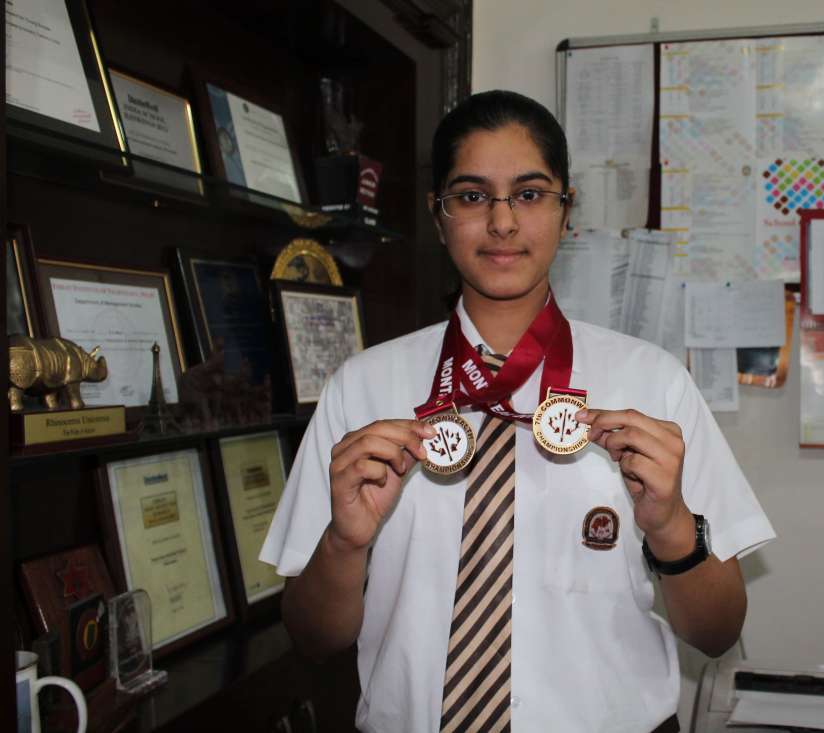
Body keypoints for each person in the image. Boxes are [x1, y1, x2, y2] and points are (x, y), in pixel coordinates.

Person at [260, 89, 775, 733]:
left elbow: (718, 633)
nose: (502, 223)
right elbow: (313, 638)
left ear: (565, 210)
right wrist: (344, 544)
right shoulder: (361, 389)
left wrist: (670, 525)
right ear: (439, 215)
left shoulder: (653, 386)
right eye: (472, 196)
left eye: (529, 194)